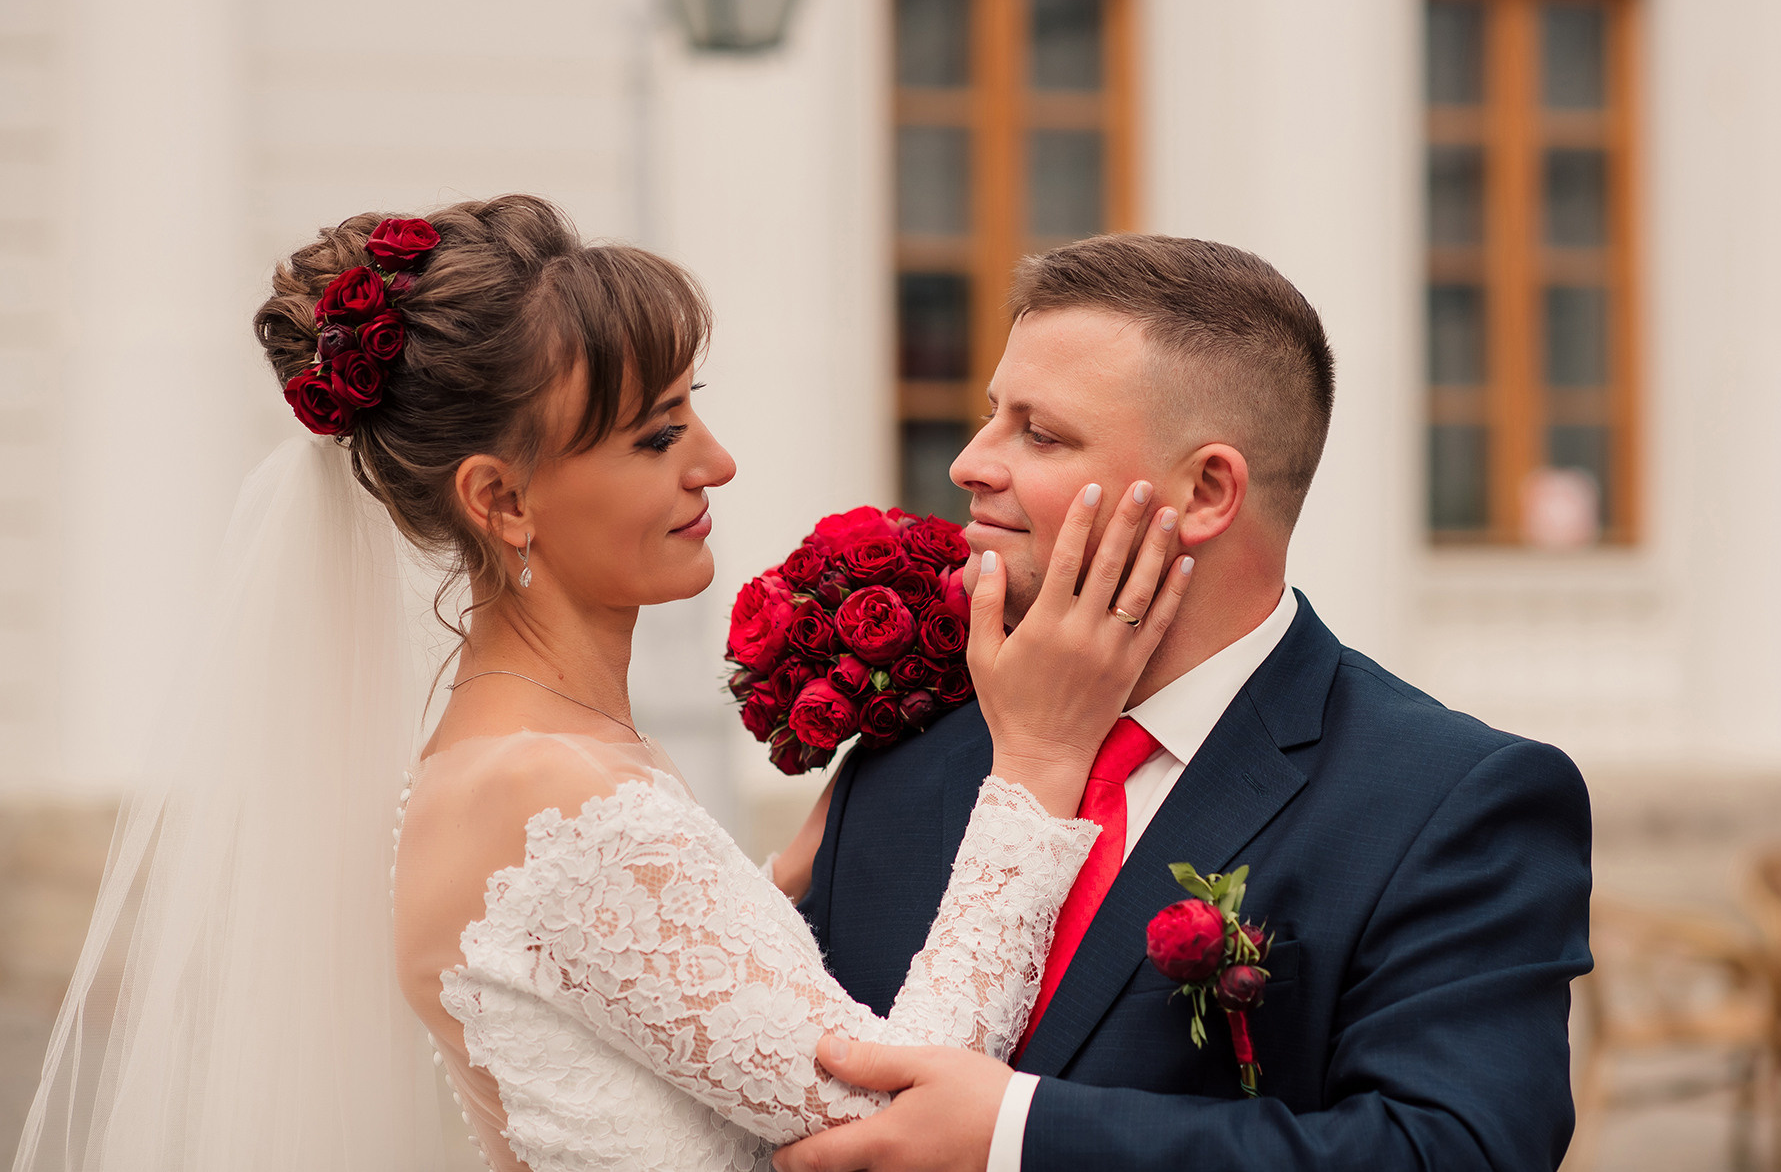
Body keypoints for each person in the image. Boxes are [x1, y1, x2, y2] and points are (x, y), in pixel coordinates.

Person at [12, 195, 1192, 1172]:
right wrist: (1036, 765)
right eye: (655, 435)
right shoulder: (551, 792)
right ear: (501, 499)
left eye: (694, 413)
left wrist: (787, 874)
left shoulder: (522, 761)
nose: (715, 463)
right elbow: (897, 1129)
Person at [782, 234, 1595, 1172]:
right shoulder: (902, 763)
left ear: (1206, 491)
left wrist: (1019, 1134)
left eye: (1040, 433)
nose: (970, 463)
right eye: (990, 415)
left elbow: (1452, 1151)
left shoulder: (1450, 801)